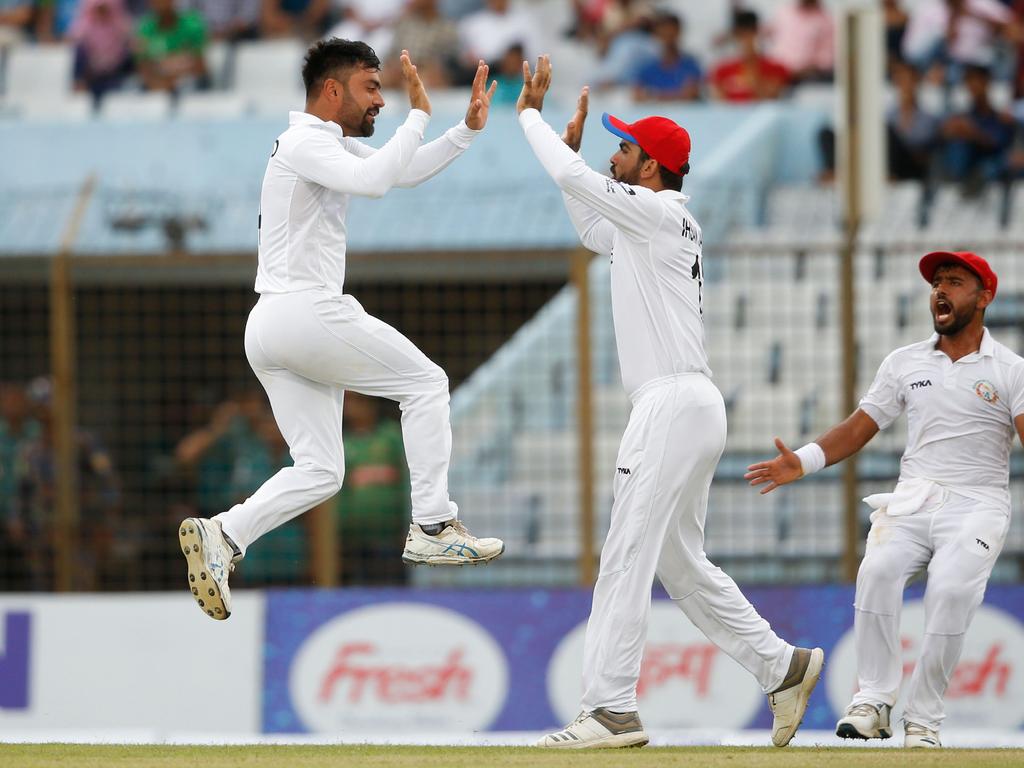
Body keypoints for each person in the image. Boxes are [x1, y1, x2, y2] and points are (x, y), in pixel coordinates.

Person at [516, 55, 823, 750]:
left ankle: (610, 709)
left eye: (623, 147)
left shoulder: (653, 212)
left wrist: (529, 118)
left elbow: (577, 183)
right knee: (679, 564)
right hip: (691, 403)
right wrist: (566, 156)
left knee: (626, 552)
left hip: (671, 404)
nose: (613, 154)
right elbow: (593, 229)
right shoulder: (655, 222)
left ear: (650, 165)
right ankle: (782, 667)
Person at [178, 40, 503, 621]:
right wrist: (421, 114)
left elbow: (394, 173)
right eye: (371, 87)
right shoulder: (307, 140)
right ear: (332, 90)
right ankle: (432, 523)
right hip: (305, 311)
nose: (381, 99)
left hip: (274, 324)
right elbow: (379, 180)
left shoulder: (321, 145)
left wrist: (464, 132)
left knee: (322, 471)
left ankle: (224, 535)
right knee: (426, 384)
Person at [746, 251, 1021, 749]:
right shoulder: (905, 362)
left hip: (978, 504)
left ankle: (924, 721)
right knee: (876, 572)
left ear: (984, 297)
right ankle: (873, 700)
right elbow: (859, 428)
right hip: (913, 499)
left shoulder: (1011, 370)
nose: (940, 291)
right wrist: (802, 461)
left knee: (952, 590)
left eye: (955, 282)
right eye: (937, 282)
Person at [334, 392, 409, 585]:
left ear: (371, 403)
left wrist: (409, 525)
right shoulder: (340, 442)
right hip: (351, 542)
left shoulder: (392, 436)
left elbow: (408, 482)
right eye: (347, 401)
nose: (350, 407)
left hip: (391, 537)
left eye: (357, 401)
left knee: (392, 587)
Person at [710, 10, 789, 102]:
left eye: (750, 32)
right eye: (741, 34)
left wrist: (751, 69)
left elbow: (770, 98)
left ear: (757, 32)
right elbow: (719, 104)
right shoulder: (721, 70)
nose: (746, 39)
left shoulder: (776, 68)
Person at [136, 0, 209, 93]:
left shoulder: (192, 24)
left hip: (189, 87)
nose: (160, 3)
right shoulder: (145, 28)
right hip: (156, 87)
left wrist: (163, 66)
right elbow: (144, 68)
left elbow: (200, 66)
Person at [70, 0, 136, 101]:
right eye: (99, 9)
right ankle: (79, 84)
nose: (102, 12)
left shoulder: (119, 23)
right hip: (92, 73)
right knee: (79, 51)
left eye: (105, 9)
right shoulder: (85, 25)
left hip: (115, 72)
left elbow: (131, 41)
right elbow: (73, 39)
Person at [631, 11, 702, 103]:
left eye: (672, 32)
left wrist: (653, 95)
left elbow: (690, 95)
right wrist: (675, 95)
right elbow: (637, 96)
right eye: (664, 32)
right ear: (656, 34)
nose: (668, 37)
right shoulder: (646, 66)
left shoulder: (690, 64)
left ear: (679, 32)